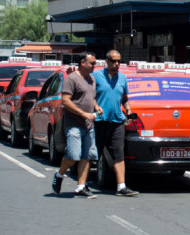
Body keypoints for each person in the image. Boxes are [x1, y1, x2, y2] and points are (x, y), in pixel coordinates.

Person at [52, 52, 103, 198]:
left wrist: (96, 106)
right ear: (82, 63)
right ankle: (59, 174)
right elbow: (66, 101)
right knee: (73, 155)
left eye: (95, 63)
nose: (95, 66)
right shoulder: (72, 79)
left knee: (87, 156)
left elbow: (90, 97)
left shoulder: (91, 79)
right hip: (74, 124)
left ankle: (81, 186)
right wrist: (83, 114)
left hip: (89, 125)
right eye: (92, 63)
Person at [94, 50, 138, 197]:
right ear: (106, 61)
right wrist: (95, 106)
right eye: (113, 61)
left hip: (117, 121)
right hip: (100, 121)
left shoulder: (123, 78)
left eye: (119, 61)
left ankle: (121, 186)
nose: (117, 64)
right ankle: (83, 184)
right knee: (93, 153)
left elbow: (124, 98)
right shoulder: (97, 77)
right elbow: (90, 95)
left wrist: (128, 110)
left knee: (119, 154)